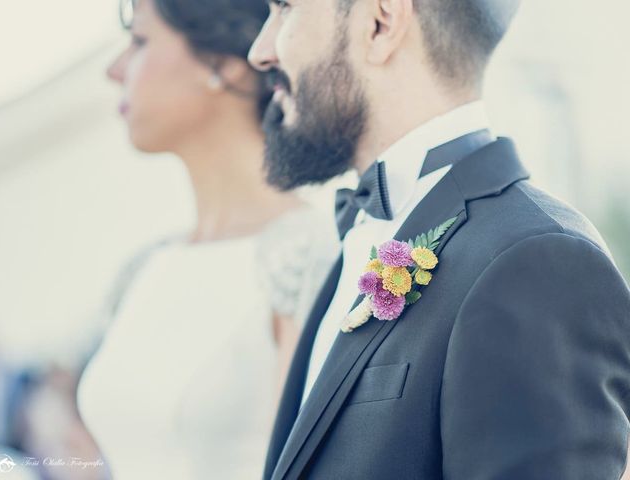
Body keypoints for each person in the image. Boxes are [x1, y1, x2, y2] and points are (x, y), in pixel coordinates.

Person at [247, 0, 630, 478]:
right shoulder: (357, 236)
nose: (260, 51)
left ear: (380, 23)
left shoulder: (541, 262)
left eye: (285, 8)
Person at [77, 0, 337, 478]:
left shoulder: (308, 255)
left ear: (222, 66)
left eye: (139, 42)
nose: (114, 70)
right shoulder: (146, 269)